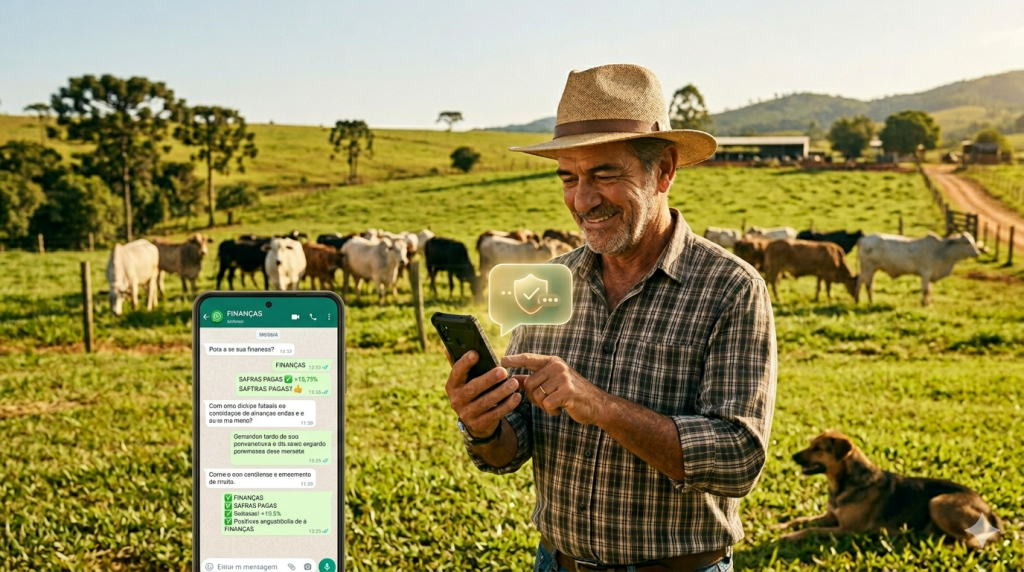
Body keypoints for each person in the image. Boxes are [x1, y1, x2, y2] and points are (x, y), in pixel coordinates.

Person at [444, 64, 777, 572]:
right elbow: (510, 450)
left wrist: (598, 405)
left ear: (663, 170)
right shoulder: (545, 283)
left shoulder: (731, 288)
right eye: (569, 178)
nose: (582, 200)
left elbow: (740, 460)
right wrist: (483, 423)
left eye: (604, 174)